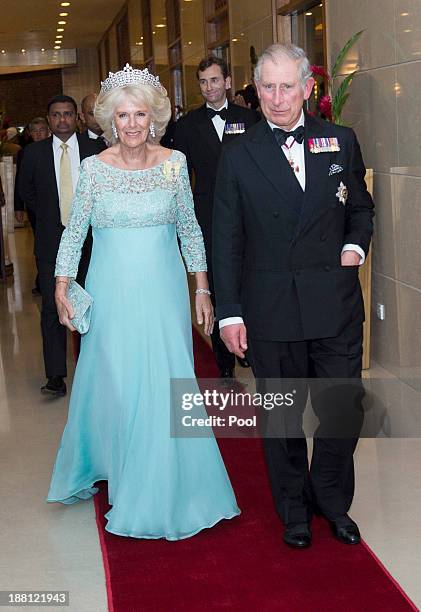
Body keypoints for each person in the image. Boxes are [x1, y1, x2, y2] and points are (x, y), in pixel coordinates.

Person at [46, 64, 240, 540]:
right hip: (111, 291)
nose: (132, 124)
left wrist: (202, 288)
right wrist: (60, 284)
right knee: (117, 380)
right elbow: (74, 234)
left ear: (153, 119)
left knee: (165, 379)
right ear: (110, 120)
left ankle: (159, 478)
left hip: (162, 291)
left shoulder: (174, 164)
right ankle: (118, 461)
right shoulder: (93, 169)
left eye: (140, 115)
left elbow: (190, 231)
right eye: (123, 116)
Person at [212, 44, 374, 549]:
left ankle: (330, 499)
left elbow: (361, 210)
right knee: (283, 416)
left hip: (335, 303)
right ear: (255, 90)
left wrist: (353, 248)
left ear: (309, 88)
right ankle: (294, 509)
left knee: (343, 407)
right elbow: (226, 239)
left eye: (287, 86)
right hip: (272, 307)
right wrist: (230, 314)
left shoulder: (341, 142)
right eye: (267, 87)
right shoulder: (238, 155)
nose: (277, 98)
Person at [174, 56, 260, 379]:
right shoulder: (186, 126)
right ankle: (223, 360)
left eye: (214, 80)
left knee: (249, 278)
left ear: (227, 81)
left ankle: (249, 347)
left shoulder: (250, 119)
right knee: (218, 283)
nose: (209, 87)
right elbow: (181, 177)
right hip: (208, 216)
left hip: (249, 213)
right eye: (203, 82)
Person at [18, 95, 99, 396]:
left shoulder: (94, 150)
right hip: (51, 241)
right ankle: (55, 376)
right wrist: (55, 219)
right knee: (53, 308)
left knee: (93, 304)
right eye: (56, 115)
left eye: (67, 114)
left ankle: (95, 369)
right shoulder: (34, 154)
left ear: (76, 117)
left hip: (92, 242)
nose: (62, 120)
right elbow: (27, 192)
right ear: (48, 119)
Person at [14, 117, 50, 294]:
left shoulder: (57, 148)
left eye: (41, 130)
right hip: (36, 207)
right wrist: (18, 207)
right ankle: (42, 281)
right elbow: (20, 181)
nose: (38, 134)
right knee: (41, 242)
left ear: (48, 130)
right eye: (34, 131)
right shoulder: (25, 152)